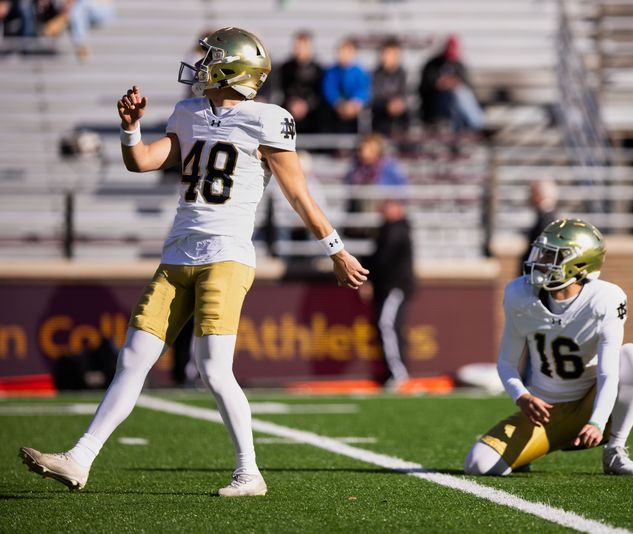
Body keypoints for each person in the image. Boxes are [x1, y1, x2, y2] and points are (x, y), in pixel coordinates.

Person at [19, 27, 368, 496]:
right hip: (177, 252)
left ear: (233, 68)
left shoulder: (268, 119)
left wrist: (336, 249)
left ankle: (249, 472)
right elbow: (141, 161)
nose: (201, 65)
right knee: (133, 357)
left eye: (211, 58)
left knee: (213, 368)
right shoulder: (188, 112)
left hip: (226, 255)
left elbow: (298, 194)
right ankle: (79, 458)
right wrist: (130, 126)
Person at [464, 218, 633, 477]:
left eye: (552, 255)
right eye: (542, 252)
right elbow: (506, 363)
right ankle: (530, 451)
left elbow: (608, 373)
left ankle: (615, 448)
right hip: (545, 410)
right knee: (477, 465)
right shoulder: (520, 294)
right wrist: (522, 396)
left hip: (590, 402)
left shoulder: (605, 299)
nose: (541, 260)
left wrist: (596, 421)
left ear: (580, 263)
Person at [362, 197, 415, 389]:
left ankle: (398, 373)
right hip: (388, 287)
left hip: (394, 287)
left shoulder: (397, 230)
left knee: (387, 325)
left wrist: (368, 275)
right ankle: (393, 372)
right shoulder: (387, 230)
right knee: (387, 326)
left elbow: (383, 260)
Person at [418, 35, 484, 133]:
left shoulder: (459, 66)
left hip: (457, 106)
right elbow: (425, 88)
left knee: (460, 93)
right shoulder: (432, 65)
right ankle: (478, 126)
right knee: (456, 94)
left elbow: (467, 86)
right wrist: (442, 85)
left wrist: (455, 84)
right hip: (435, 104)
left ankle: (477, 124)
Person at [321, 37, 370, 133]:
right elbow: (329, 90)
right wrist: (339, 104)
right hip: (335, 112)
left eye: (348, 52)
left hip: (355, 112)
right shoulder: (331, 72)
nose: (344, 55)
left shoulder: (360, 72)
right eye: (342, 52)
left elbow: (363, 90)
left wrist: (354, 104)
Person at [279, 30, 323, 134]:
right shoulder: (285, 68)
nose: (300, 51)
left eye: (303, 47)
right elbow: (281, 90)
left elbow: (319, 93)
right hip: (289, 112)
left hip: (312, 116)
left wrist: (306, 105)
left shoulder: (318, 69)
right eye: (297, 47)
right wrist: (292, 102)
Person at [371, 37, 409, 137]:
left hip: (398, 110)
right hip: (381, 111)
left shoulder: (402, 73)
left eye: (393, 54)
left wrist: (399, 103)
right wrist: (388, 104)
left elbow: (404, 93)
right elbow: (375, 95)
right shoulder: (376, 73)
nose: (390, 57)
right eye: (388, 53)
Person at [519, 179, 559, 270]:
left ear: (539, 195)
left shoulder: (548, 220)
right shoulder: (543, 216)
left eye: (532, 192)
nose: (530, 197)